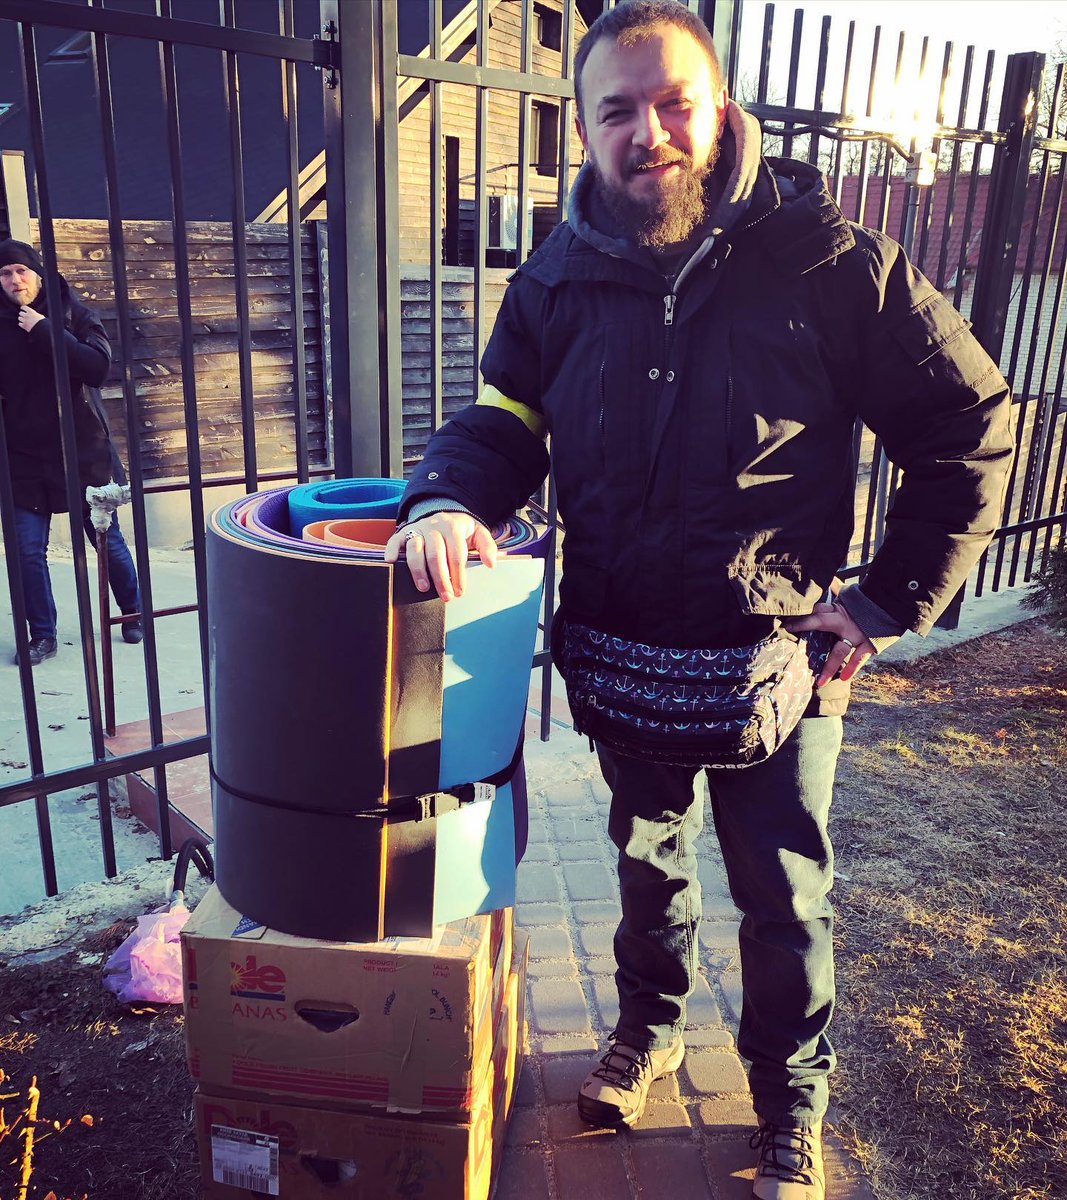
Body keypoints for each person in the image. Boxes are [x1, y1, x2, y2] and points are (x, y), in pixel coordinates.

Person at [385, 2, 1014, 1196]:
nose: (648, 132)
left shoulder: (831, 262)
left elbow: (967, 422)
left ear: (718, 108)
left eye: (672, 102)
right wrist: (447, 498)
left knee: (782, 900)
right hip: (623, 652)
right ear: (582, 128)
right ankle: (649, 1029)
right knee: (644, 866)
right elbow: (505, 417)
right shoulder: (553, 278)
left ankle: (788, 1100)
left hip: (781, 664)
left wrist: (885, 600)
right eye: (615, 110)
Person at [0, 238, 143, 666]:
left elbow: (97, 369)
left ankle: (132, 611)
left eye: (21, 271)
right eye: (5, 273)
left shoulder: (74, 314)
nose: (14, 280)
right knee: (26, 551)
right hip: (23, 457)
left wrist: (44, 329)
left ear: (38, 274)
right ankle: (42, 635)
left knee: (106, 541)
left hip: (82, 452)